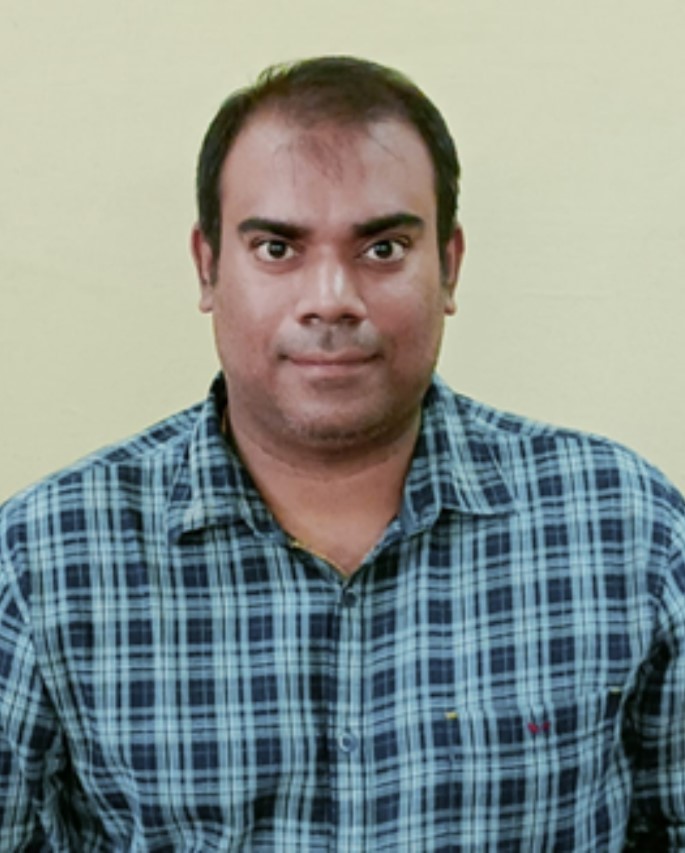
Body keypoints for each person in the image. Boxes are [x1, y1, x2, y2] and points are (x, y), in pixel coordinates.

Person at [0, 55, 683, 852]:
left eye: (383, 248)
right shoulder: (45, 560)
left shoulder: (626, 531)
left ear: (449, 266)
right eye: (277, 248)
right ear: (208, 266)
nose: (331, 299)